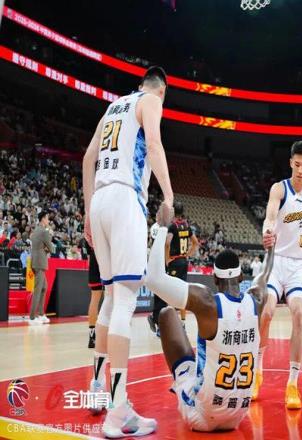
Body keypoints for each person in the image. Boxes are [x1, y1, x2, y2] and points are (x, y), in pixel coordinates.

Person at [82, 66, 174, 438]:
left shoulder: (113, 107)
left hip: (100, 200)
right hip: (124, 199)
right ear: (161, 91)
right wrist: (168, 196)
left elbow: (88, 158)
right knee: (124, 301)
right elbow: (153, 145)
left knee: (109, 299)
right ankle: (118, 411)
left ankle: (96, 388)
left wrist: (87, 210)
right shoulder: (151, 101)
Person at [144, 213, 275, 432]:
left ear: (214, 279)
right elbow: (265, 274)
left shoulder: (208, 302)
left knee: (166, 314)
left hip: (204, 414)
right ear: (241, 277)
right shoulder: (257, 300)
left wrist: (162, 228)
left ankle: (183, 385)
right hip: (238, 415)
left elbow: (153, 279)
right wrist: (271, 249)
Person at [254, 140, 302, 410]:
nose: (301, 170)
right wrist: (267, 231)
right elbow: (270, 216)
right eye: (297, 164)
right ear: (291, 162)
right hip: (275, 261)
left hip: (297, 266)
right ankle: (257, 370)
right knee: (267, 312)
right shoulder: (279, 188)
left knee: (299, 314)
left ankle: (292, 383)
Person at [147, 201, 199, 335]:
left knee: (169, 293)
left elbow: (167, 243)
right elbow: (196, 243)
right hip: (184, 262)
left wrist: (167, 258)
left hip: (174, 262)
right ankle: (183, 324)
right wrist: (188, 254)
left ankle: (166, 325)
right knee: (183, 292)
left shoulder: (172, 226)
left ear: (174, 211)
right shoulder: (187, 226)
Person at [28, 211, 53, 325]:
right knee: (38, 289)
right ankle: (32, 317)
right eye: (47, 218)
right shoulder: (44, 231)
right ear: (43, 219)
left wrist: (45, 248)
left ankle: (42, 314)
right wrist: (50, 234)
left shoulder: (36, 231)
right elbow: (52, 248)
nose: (48, 220)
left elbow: (41, 246)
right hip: (40, 262)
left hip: (35, 261)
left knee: (44, 287)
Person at [86, 241, 103, 349]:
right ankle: (110, 334)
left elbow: (87, 249)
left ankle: (92, 337)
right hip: (106, 256)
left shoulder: (88, 229)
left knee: (94, 298)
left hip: (93, 256)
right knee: (111, 298)